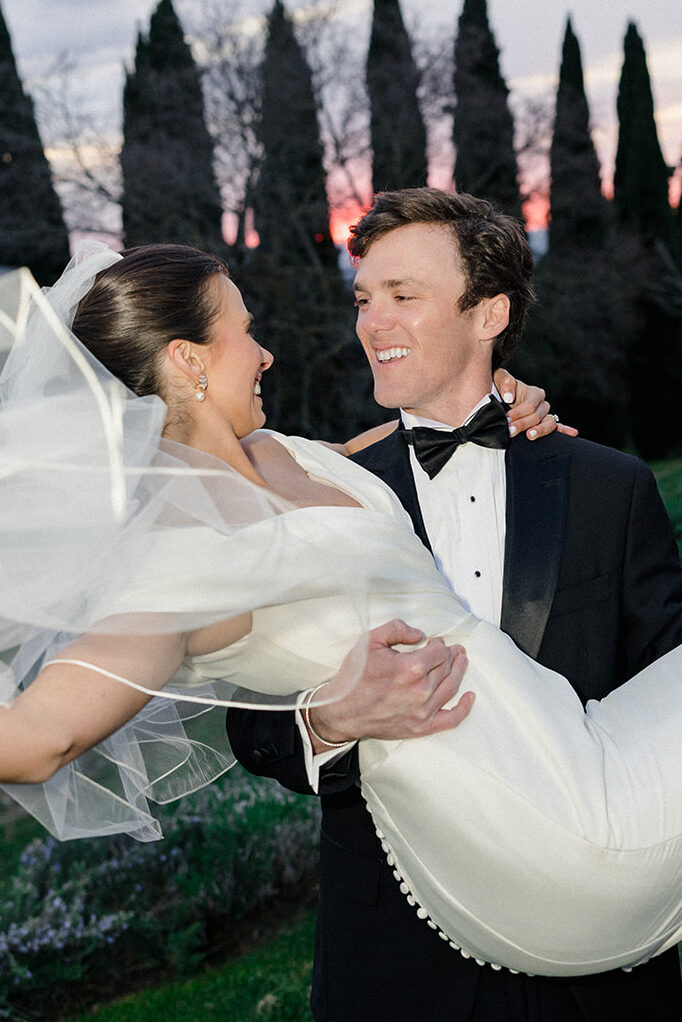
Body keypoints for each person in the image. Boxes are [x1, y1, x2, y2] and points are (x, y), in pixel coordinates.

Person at [2, 237, 682, 993]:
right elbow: (36, 741)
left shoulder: (295, 455)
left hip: (577, 754)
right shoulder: (178, 559)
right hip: (537, 833)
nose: (265, 354)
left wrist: (514, 397)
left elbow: (430, 427)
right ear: (188, 359)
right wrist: (328, 716)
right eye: (244, 331)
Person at [226, 189, 682, 1021]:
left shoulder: (608, 489)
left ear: (489, 314)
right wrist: (327, 722)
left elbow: (666, 715)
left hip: (593, 973)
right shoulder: (324, 498)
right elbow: (247, 717)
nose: (371, 322)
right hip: (395, 962)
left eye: (404, 297)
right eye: (364, 299)